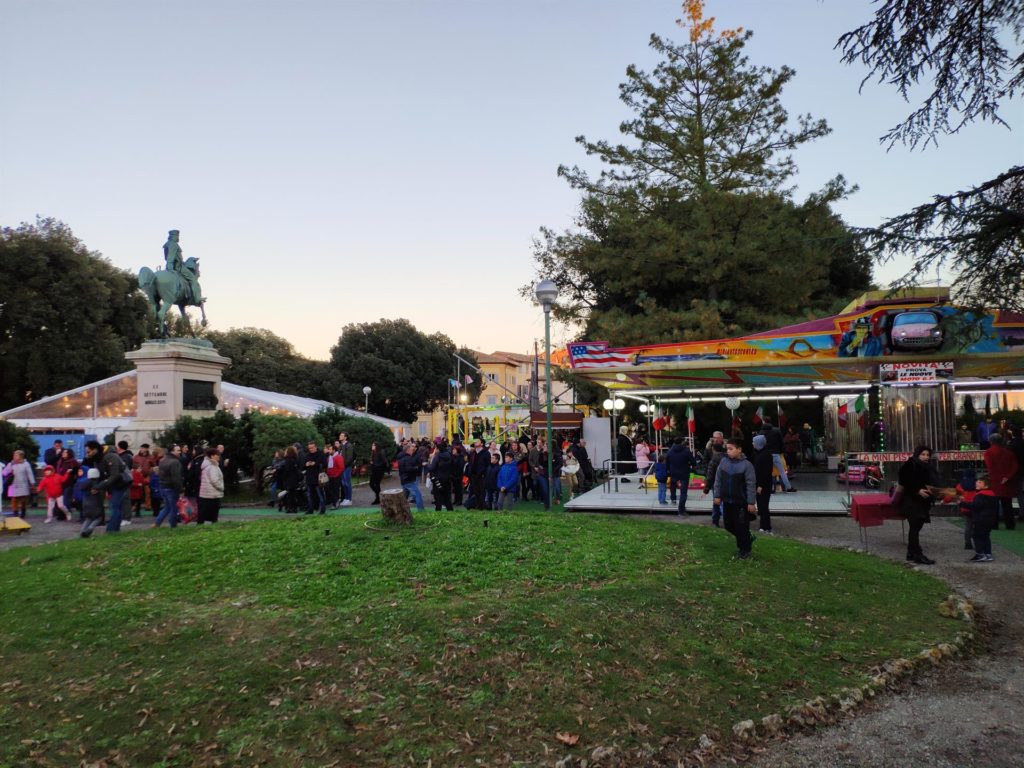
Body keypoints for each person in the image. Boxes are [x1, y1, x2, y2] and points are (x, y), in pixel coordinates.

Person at [713, 439, 757, 559]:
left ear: (739, 450)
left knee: (741, 526)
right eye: (727, 449)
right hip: (727, 500)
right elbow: (718, 480)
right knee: (728, 525)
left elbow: (751, 484)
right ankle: (747, 538)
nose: (728, 451)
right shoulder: (723, 462)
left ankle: (744, 550)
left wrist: (751, 502)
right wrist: (717, 495)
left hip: (741, 502)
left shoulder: (747, 465)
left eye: (731, 449)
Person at [897, 446, 937, 564]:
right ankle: (917, 555)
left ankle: (911, 553)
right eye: (923, 454)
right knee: (915, 528)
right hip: (912, 501)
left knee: (916, 528)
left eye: (927, 455)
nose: (925, 457)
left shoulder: (928, 467)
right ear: (917, 455)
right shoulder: (910, 464)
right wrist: (917, 490)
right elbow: (903, 480)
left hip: (922, 502)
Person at [89, 440, 129, 533]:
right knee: (115, 506)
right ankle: (114, 528)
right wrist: (98, 486)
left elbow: (115, 475)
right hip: (112, 484)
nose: (88, 454)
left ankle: (112, 529)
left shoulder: (111, 456)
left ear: (95, 450)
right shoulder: (98, 458)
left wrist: (99, 486)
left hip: (120, 483)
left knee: (114, 506)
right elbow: (102, 474)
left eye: (88, 451)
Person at [960, 476, 1000, 562]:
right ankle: (988, 554)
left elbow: (975, 506)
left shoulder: (980, 495)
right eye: (977, 481)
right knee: (986, 537)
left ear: (986, 486)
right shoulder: (993, 495)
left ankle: (980, 554)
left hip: (980, 520)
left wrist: (962, 503)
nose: (976, 483)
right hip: (990, 520)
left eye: (980, 482)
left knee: (976, 536)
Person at [983, 433, 1018, 530]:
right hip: (1007, 482)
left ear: (991, 442)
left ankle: (994, 525)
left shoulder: (988, 452)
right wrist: (1007, 477)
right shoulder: (1009, 453)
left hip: (995, 481)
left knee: (994, 505)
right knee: (1007, 504)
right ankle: (1010, 525)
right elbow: (1015, 466)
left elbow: (990, 467)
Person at [163, 229, 203, 304]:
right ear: (173, 236)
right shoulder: (173, 245)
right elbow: (170, 258)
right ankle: (197, 298)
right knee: (193, 279)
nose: (178, 238)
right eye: (177, 236)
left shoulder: (167, 244)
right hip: (178, 267)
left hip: (175, 265)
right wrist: (170, 268)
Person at [760, 418, 795, 492]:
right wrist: (783, 452)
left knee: (768, 472)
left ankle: (770, 488)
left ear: (764, 422)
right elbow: (781, 442)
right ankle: (788, 487)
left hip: (766, 454)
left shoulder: (761, 432)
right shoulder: (776, 430)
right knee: (782, 471)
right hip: (776, 453)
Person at [155, 445, 184, 528]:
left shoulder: (162, 460)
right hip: (172, 487)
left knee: (167, 507)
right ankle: (173, 526)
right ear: (172, 451)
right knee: (173, 508)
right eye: (178, 450)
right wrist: (180, 489)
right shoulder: (175, 462)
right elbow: (176, 478)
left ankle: (157, 523)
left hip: (163, 486)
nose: (179, 452)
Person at [666, 438, 696, 515]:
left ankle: (673, 499)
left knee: (673, 485)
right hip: (684, 472)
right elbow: (693, 461)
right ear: (682, 442)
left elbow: (667, 462)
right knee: (683, 492)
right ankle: (681, 510)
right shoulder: (686, 451)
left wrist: (669, 470)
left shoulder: (670, 451)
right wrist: (691, 466)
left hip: (673, 472)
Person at [751, 434, 774, 534]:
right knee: (761, 505)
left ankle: (764, 526)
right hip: (760, 483)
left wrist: (761, 485)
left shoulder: (765, 455)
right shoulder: (759, 453)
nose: (752, 444)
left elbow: (766, 472)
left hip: (763, 485)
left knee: (763, 506)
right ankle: (765, 526)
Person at [2, 451, 34, 519]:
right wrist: (10, 465)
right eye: (14, 455)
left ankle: (23, 513)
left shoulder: (26, 464)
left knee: (23, 500)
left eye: (16, 455)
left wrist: (32, 482)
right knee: (13, 500)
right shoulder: (11, 463)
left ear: (21, 456)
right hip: (12, 485)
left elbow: (30, 473)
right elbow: (4, 473)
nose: (14, 457)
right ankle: (15, 513)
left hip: (23, 484)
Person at [197, 448, 224, 524]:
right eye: (217, 455)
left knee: (203, 512)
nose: (219, 456)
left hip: (205, 492)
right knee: (214, 512)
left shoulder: (206, 465)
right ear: (212, 456)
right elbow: (214, 480)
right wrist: (221, 487)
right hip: (212, 493)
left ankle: (200, 525)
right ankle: (213, 525)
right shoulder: (212, 466)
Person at [702, 442, 726, 526]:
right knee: (725, 502)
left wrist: (706, 489)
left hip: (716, 484)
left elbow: (710, 476)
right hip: (726, 483)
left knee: (716, 502)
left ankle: (715, 520)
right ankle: (728, 519)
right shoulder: (727, 458)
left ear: (713, 450)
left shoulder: (713, 460)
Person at [427, 440, 454, 511]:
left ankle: (438, 511)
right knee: (447, 497)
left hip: (438, 479)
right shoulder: (449, 455)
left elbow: (431, 468)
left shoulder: (437, 457)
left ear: (438, 449)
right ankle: (450, 510)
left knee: (438, 496)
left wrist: (427, 464)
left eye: (436, 448)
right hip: (447, 478)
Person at [303, 440, 327, 515]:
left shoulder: (321, 454)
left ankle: (322, 509)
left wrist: (315, 463)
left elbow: (324, 464)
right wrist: (306, 464)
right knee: (309, 495)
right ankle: (310, 509)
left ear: (315, 447)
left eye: (312, 448)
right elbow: (302, 466)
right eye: (309, 448)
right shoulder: (307, 455)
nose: (311, 449)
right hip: (309, 477)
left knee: (320, 494)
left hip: (318, 477)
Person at [276, 446, 302, 513]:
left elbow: (286, 470)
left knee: (289, 495)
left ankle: (290, 508)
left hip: (289, 479)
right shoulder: (296, 459)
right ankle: (294, 508)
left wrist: (283, 477)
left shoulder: (287, 460)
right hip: (295, 479)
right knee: (294, 494)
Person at [398, 443, 424, 511]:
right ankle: (421, 511)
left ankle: (400, 510)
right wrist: (416, 468)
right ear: (408, 450)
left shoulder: (401, 458)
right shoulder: (408, 458)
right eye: (411, 450)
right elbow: (409, 469)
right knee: (418, 495)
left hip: (403, 480)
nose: (412, 451)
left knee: (404, 496)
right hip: (409, 480)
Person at [80, 468, 105, 538]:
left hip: (85, 504)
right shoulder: (97, 484)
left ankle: (82, 531)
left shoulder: (84, 483)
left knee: (88, 518)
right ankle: (89, 529)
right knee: (98, 518)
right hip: (95, 504)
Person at [469, 440, 490, 509]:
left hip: (482, 476)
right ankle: (478, 505)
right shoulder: (473, 453)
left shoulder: (486, 453)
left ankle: (483, 507)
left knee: (482, 492)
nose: (475, 442)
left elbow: (487, 465)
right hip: (474, 475)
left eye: (477, 441)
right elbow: (471, 463)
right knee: (476, 491)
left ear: (482, 444)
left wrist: (484, 473)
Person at [338, 432, 355, 506]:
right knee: (343, 483)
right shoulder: (341, 445)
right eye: (340, 435)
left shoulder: (349, 445)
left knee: (347, 483)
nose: (340, 436)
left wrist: (343, 465)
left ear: (345, 437)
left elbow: (349, 458)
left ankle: (349, 499)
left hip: (346, 467)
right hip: (341, 467)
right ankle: (346, 498)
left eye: (342, 435)